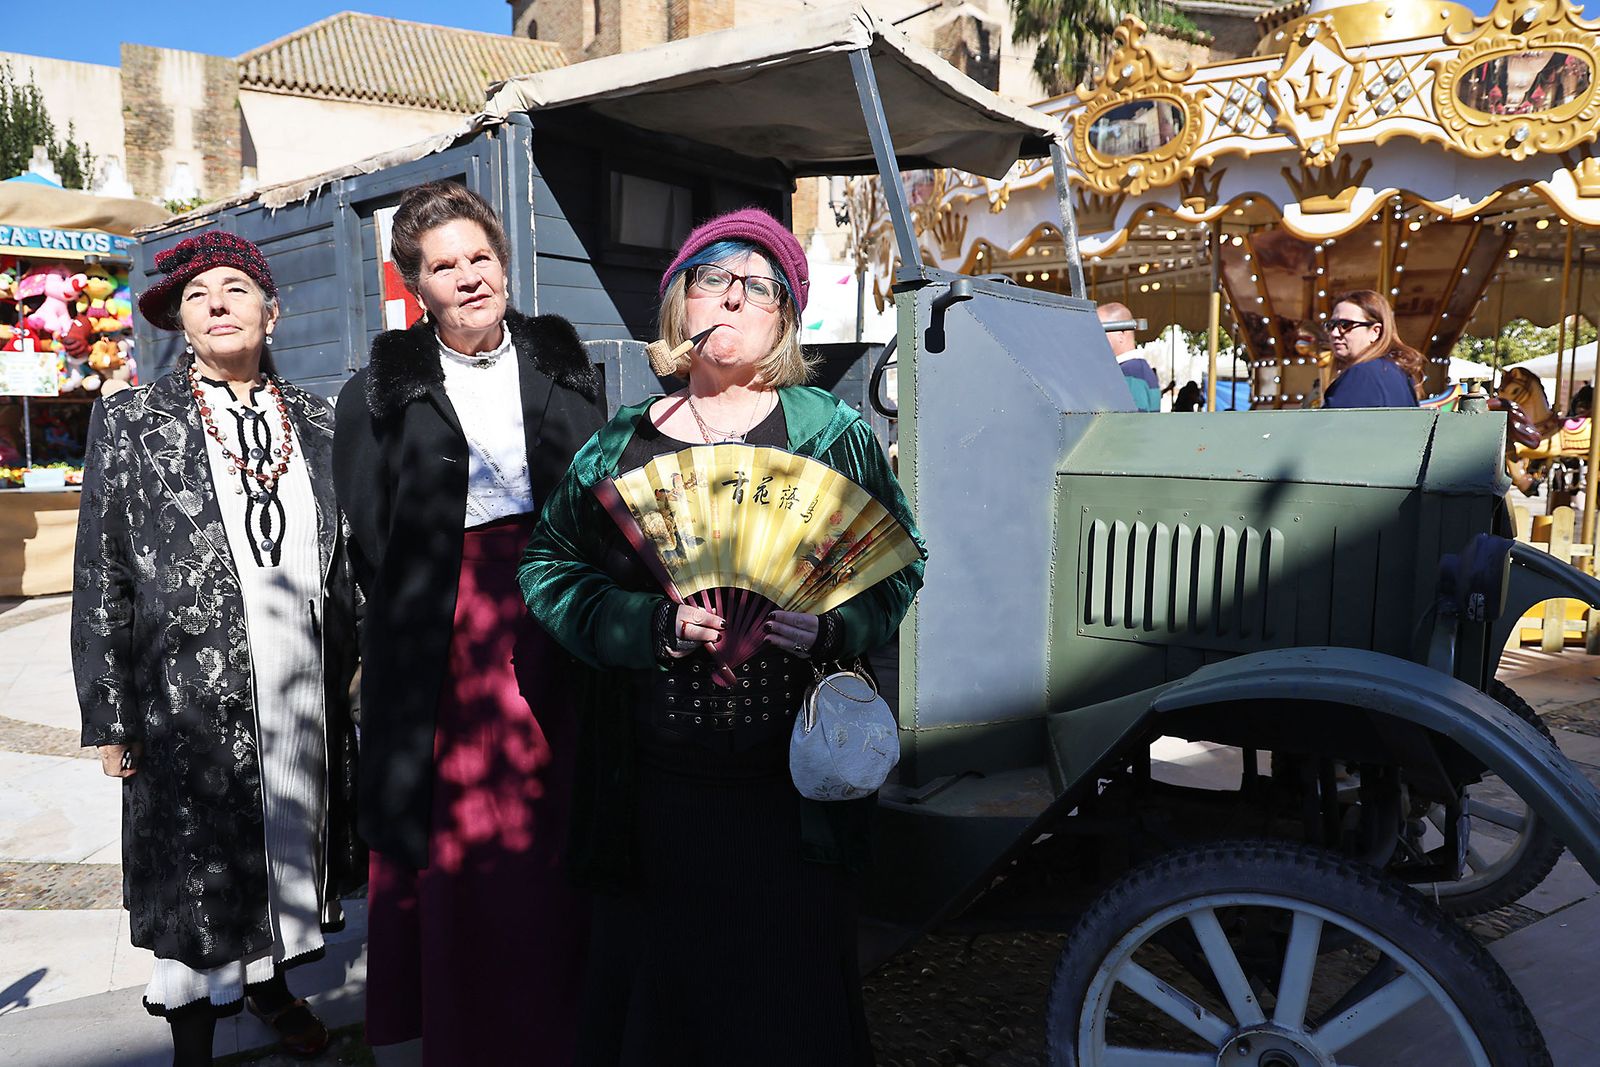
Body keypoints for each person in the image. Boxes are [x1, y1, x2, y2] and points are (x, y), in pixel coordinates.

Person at [518, 207, 926, 1066]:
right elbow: (548, 568)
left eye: (760, 286)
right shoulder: (619, 446)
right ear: (678, 303)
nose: (734, 298)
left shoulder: (830, 433)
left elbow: (898, 565)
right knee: (664, 1014)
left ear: (783, 318)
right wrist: (648, 625)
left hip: (791, 794)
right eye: (714, 278)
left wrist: (831, 624)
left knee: (785, 1005)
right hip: (656, 794)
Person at [71, 230, 363, 1066]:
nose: (218, 304)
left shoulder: (315, 418)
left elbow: (350, 557)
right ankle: (192, 1048)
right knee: (195, 879)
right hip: (184, 692)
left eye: (236, 288)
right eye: (199, 296)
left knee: (283, 851)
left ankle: (272, 988)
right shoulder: (131, 420)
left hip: (300, 682)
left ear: (272, 310)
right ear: (182, 323)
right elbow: (102, 570)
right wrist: (111, 714)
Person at [332, 181, 604, 1064]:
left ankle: (566, 1024)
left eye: (479, 257)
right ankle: (469, 1030)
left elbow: (601, 492)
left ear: (504, 262)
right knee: (465, 830)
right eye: (444, 266)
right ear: (416, 284)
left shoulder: (561, 361)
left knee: (554, 817)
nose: (469, 276)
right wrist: (435, 601)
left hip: (555, 608)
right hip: (446, 631)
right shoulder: (379, 386)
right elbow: (372, 530)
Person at [1322, 290, 1423, 409]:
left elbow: (1330, 426)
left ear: (1375, 332)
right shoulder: (1399, 372)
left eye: (1345, 325)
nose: (1334, 333)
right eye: (1331, 325)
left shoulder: (1361, 375)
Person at [1098, 301, 1161, 411]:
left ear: (1121, 333)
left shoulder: (1130, 374)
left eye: (1101, 331)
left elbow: (1134, 425)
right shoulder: (1136, 369)